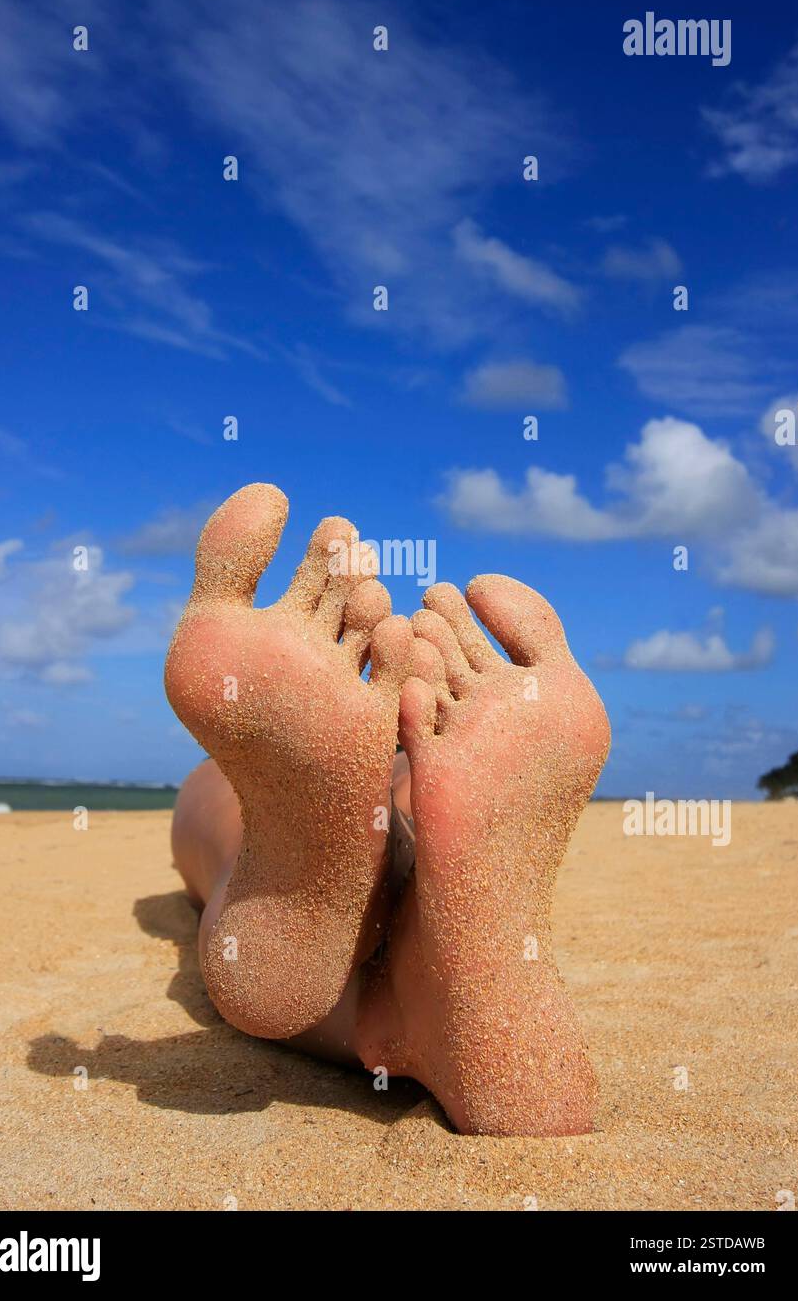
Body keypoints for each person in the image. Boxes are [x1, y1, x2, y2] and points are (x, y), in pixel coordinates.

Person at [165, 483, 610, 1136]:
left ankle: (313, 899)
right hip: (414, 783)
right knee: (408, 798)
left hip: (361, 797)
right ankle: (433, 992)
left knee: (208, 808)